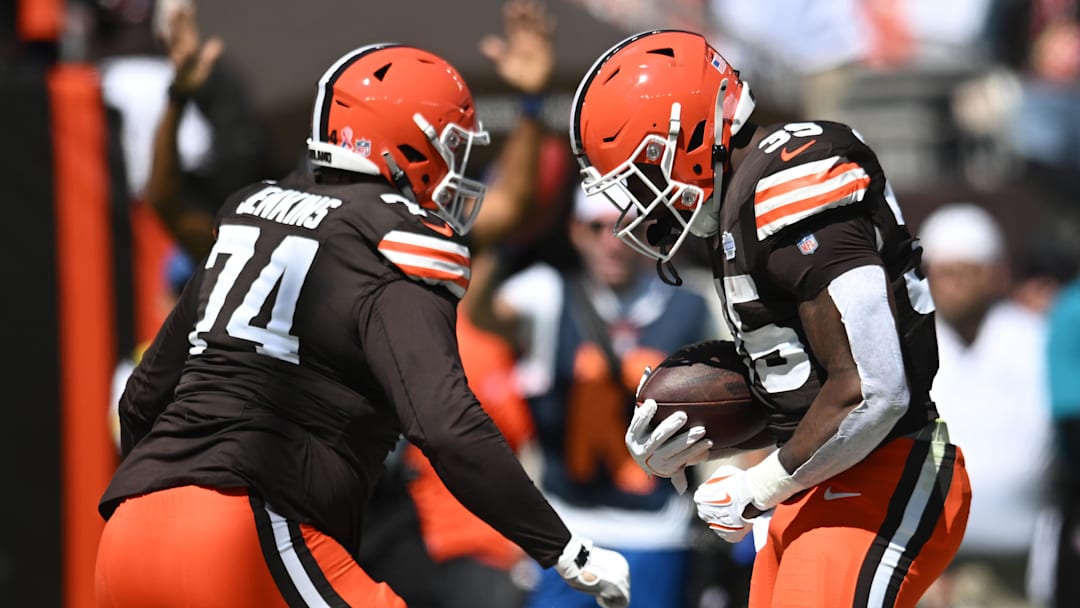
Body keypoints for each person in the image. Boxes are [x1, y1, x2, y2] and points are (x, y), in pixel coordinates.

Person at [93, 43, 631, 608]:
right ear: (405, 144)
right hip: (249, 527)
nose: (454, 170)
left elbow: (141, 398)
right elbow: (446, 425)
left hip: (128, 535)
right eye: (449, 149)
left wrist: (167, 497)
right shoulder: (395, 240)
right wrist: (567, 550)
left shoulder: (251, 211)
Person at [570, 30, 971, 607]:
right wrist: (694, 438)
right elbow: (804, 389)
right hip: (820, 482)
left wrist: (759, 486)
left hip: (886, 470)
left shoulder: (792, 178)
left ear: (685, 136)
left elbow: (871, 388)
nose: (639, 205)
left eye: (640, 177)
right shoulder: (738, 203)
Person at [472, 184, 717, 608]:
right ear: (575, 232)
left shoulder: (693, 305)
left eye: (626, 228)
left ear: (650, 232)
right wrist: (503, 236)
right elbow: (482, 314)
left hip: (656, 532)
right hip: (569, 532)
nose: (612, 241)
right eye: (597, 226)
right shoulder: (548, 293)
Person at [917, 202, 1052, 608]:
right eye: (945, 272)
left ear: (996, 273)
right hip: (927, 565)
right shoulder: (911, 346)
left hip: (1020, 567)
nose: (954, 283)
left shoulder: (1034, 337)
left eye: (967, 271)